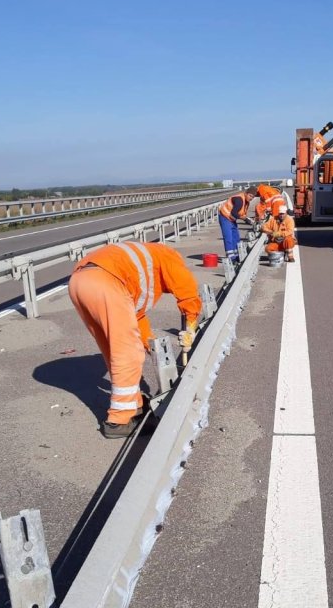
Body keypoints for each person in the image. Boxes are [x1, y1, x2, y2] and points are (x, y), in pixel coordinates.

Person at [68, 241, 202, 438]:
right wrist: (191, 325)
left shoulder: (139, 266)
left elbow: (135, 317)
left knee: (114, 348)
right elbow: (188, 291)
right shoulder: (169, 257)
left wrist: (151, 346)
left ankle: (135, 407)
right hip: (105, 282)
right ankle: (119, 422)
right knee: (129, 354)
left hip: (79, 282)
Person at [217, 187, 256, 264]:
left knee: (236, 237)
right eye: (250, 195)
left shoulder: (246, 201)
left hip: (231, 219)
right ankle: (231, 257)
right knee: (228, 237)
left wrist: (247, 219)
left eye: (253, 197)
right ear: (246, 193)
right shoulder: (239, 200)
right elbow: (234, 213)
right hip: (224, 217)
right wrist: (245, 219)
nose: (251, 198)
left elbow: (241, 213)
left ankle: (237, 255)